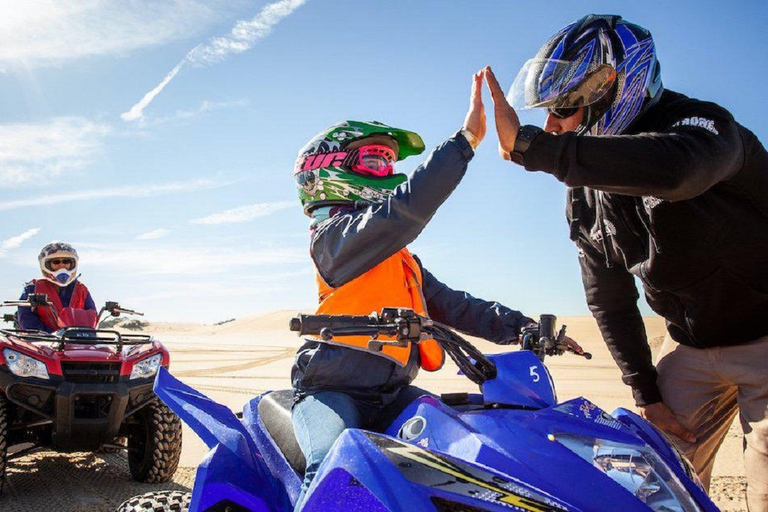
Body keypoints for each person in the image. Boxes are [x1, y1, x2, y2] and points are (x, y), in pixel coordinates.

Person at [483, 13, 768, 510]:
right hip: (690, 349)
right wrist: (645, 390)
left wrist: (533, 146)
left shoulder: (704, 127)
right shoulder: (584, 192)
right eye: (547, 113)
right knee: (643, 485)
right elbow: (608, 298)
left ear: (612, 87)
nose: (553, 125)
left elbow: (678, 169)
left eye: (564, 106)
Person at [291, 72, 581, 510]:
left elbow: (457, 307)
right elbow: (405, 209)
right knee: (336, 468)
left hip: (393, 394)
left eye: (390, 163)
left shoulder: (402, 262)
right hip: (331, 393)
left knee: (465, 451)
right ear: (326, 171)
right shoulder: (333, 241)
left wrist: (523, 329)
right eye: (374, 162)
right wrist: (465, 141)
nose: (387, 172)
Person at [17, 242, 97, 333]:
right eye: (56, 262)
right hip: (42, 342)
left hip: (76, 341)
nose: (61, 265)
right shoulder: (32, 288)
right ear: (46, 265)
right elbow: (26, 318)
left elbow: (92, 316)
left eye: (66, 261)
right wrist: (49, 335)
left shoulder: (82, 289)